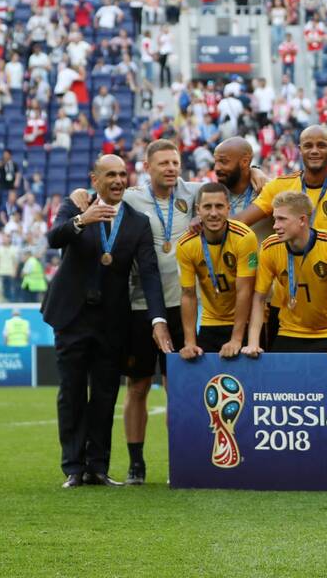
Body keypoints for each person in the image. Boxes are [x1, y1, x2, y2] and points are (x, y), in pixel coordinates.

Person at [44, 154, 170, 488]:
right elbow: (53, 238)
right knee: (71, 391)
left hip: (112, 320)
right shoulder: (75, 207)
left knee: (104, 394)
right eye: (110, 175)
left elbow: (149, 273)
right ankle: (73, 467)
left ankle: (98, 467)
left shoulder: (138, 222)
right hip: (72, 316)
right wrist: (82, 220)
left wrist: (158, 318)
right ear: (95, 179)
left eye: (123, 175)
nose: (118, 180)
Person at [115, 138, 203, 485]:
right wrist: (77, 197)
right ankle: (136, 464)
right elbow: (98, 196)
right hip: (140, 305)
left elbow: (232, 183)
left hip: (183, 304)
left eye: (175, 162)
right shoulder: (132, 197)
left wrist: (255, 171)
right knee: (136, 386)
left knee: (176, 388)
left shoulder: (194, 193)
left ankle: (176, 462)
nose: (171, 168)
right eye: (163, 163)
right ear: (147, 166)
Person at [243, 191, 327, 357]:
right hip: (290, 332)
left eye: (282, 219)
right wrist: (253, 343)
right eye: (275, 219)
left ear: (302, 220)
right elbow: (259, 298)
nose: (275, 225)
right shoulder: (270, 247)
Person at [175, 183, 258, 360]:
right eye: (207, 207)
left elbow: (245, 290)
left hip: (246, 323)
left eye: (219, 206)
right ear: (198, 210)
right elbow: (188, 294)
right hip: (210, 321)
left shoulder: (246, 238)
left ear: (228, 208)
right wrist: (190, 343)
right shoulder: (185, 245)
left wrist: (236, 339)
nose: (213, 213)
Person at [238, 125, 327, 234]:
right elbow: (241, 221)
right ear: (300, 150)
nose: (314, 151)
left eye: (321, 145)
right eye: (308, 146)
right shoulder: (279, 186)